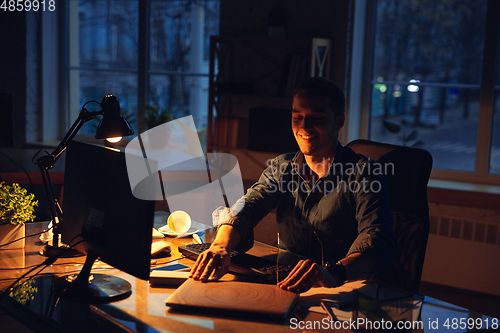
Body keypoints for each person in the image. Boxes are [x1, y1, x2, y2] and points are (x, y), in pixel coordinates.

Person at [190, 77, 396, 293]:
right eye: (297, 117)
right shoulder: (282, 167)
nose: (304, 127)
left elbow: (377, 240)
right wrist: (220, 246)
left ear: (339, 121)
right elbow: (248, 206)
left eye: (317, 118)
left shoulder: (364, 173)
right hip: (286, 282)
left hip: (341, 288)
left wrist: (332, 273)